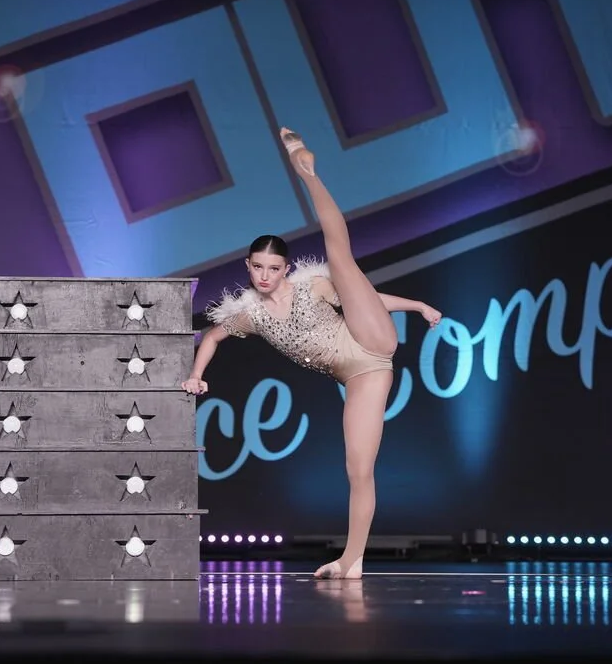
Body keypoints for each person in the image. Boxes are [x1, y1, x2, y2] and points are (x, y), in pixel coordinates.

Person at [181, 128, 442, 580]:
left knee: (341, 261)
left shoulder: (310, 286)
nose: (265, 275)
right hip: (361, 376)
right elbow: (212, 336)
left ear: (285, 269)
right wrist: (196, 376)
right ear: (248, 267)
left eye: (274, 268)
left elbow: (368, 298)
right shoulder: (250, 317)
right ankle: (352, 561)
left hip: (371, 340)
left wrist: (417, 305)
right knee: (357, 467)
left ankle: (308, 171)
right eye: (258, 267)